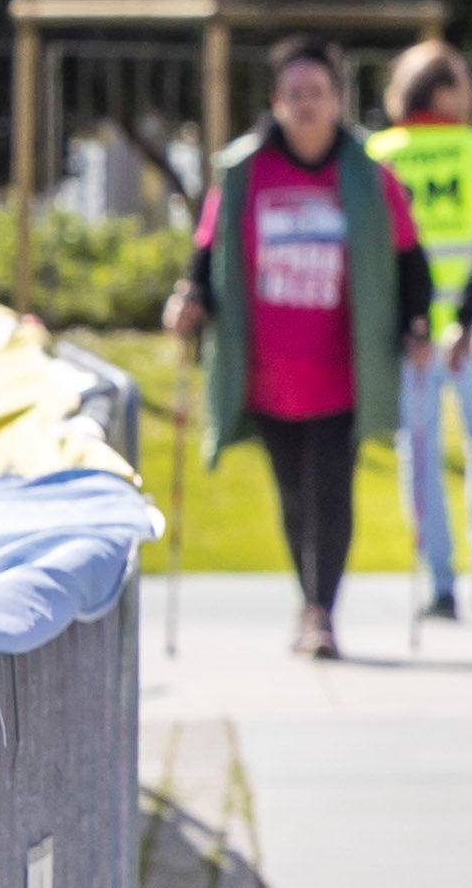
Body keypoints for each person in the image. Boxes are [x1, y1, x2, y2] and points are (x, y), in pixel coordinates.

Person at [175, 37, 420, 659]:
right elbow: (206, 255)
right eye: (294, 94)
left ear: (338, 99)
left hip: (343, 370)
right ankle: (308, 596)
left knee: (332, 489)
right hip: (266, 373)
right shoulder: (243, 172)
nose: (305, 105)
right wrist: (191, 300)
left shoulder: (368, 175)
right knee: (292, 496)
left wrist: (416, 323)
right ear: (275, 101)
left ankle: (320, 610)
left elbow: (409, 261)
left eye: (317, 93)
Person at [371, 44, 472, 631]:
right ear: (446, 93)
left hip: (409, 333)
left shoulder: (379, 157)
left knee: (421, 453)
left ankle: (440, 583)